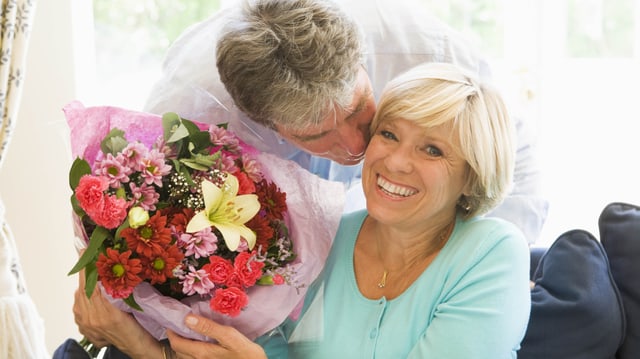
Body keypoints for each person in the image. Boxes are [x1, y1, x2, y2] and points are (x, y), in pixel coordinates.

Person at [69, 0, 545, 357]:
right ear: (266, 124)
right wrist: (142, 343)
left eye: (362, 111)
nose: (361, 147)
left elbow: (507, 148)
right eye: (319, 134)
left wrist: (471, 245)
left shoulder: (418, 45)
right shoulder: (200, 116)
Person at [166, 62, 531, 358]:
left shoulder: (492, 251)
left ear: (472, 176)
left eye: (432, 150)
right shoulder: (318, 239)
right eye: (388, 134)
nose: (396, 162)